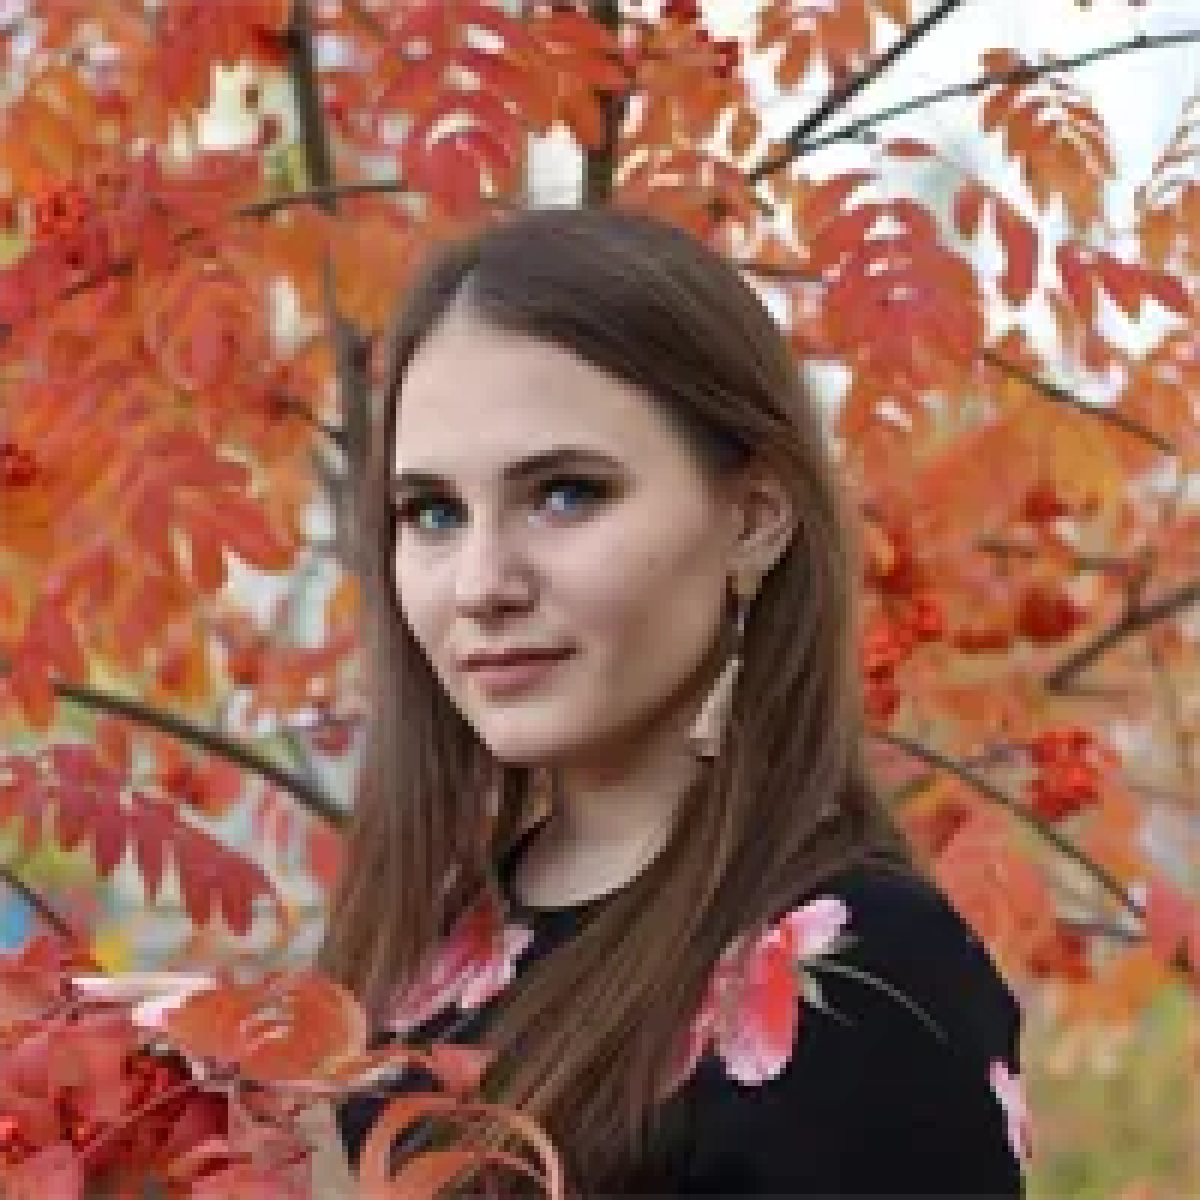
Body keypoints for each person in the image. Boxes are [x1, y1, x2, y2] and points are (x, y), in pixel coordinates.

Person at [320, 206, 1031, 1196]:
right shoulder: (430, 953)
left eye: (566, 493)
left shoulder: (868, 976)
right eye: (433, 512)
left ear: (753, 522)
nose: (481, 583)